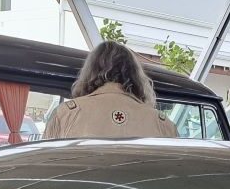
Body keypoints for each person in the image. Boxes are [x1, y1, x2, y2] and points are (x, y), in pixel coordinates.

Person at [44, 41, 179, 140]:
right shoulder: (162, 124)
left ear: (90, 72)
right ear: (134, 75)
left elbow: (44, 168)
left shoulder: (66, 115)